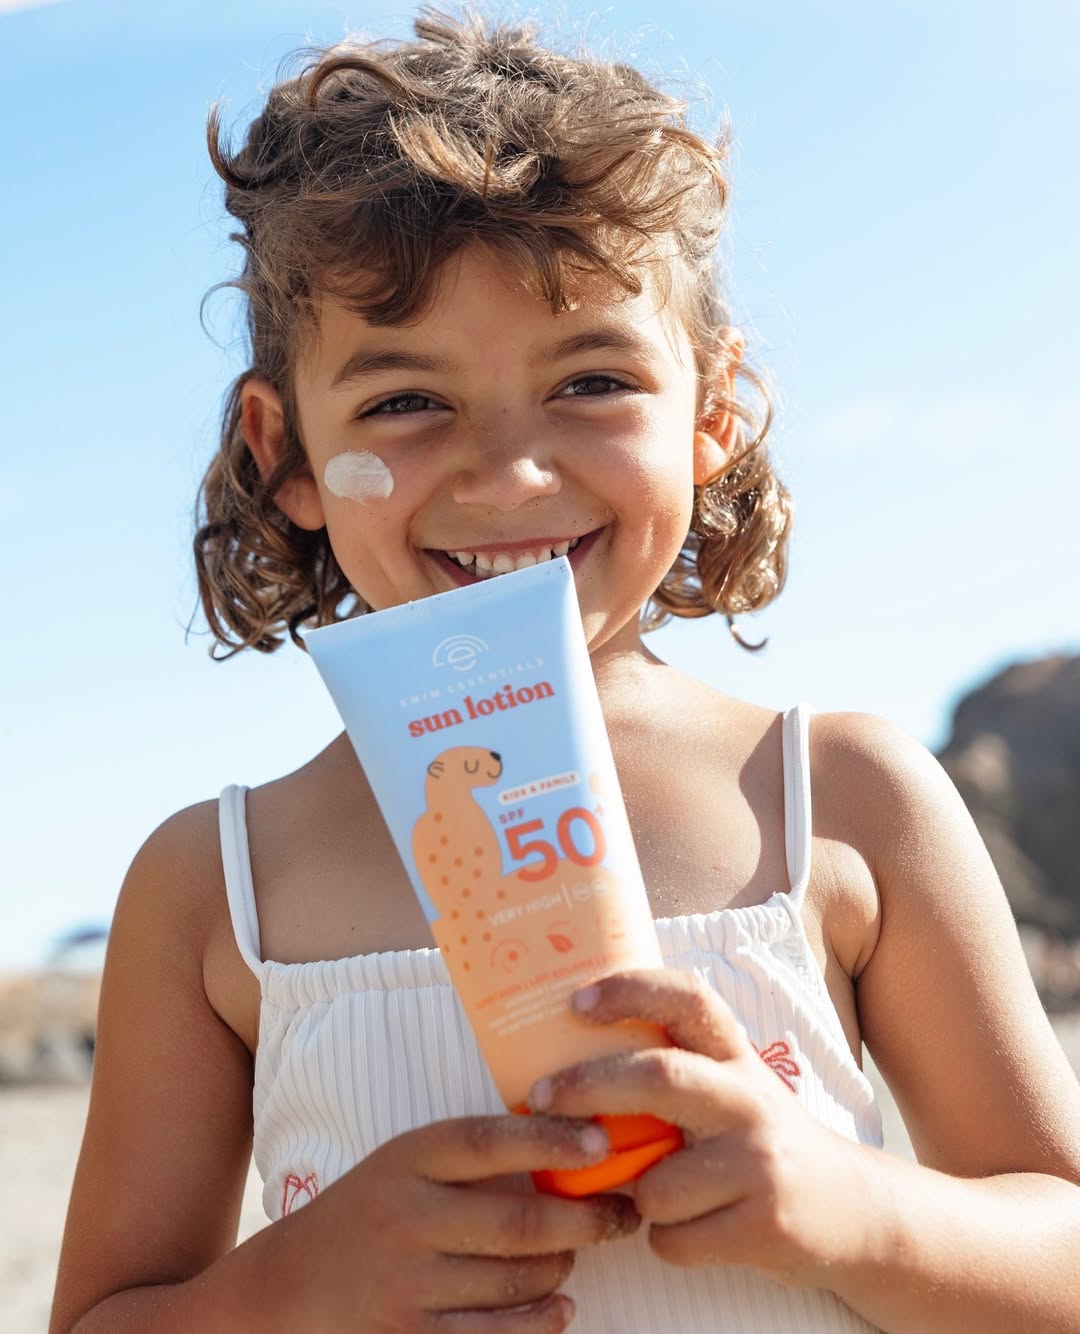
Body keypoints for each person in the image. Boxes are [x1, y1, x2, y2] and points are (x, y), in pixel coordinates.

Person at [51, 10, 1080, 1333]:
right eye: (405, 401)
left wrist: (856, 1208)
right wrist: (294, 1286)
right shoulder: (217, 885)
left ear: (712, 410)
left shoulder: (839, 796)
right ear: (285, 450)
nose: (510, 473)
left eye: (592, 379)